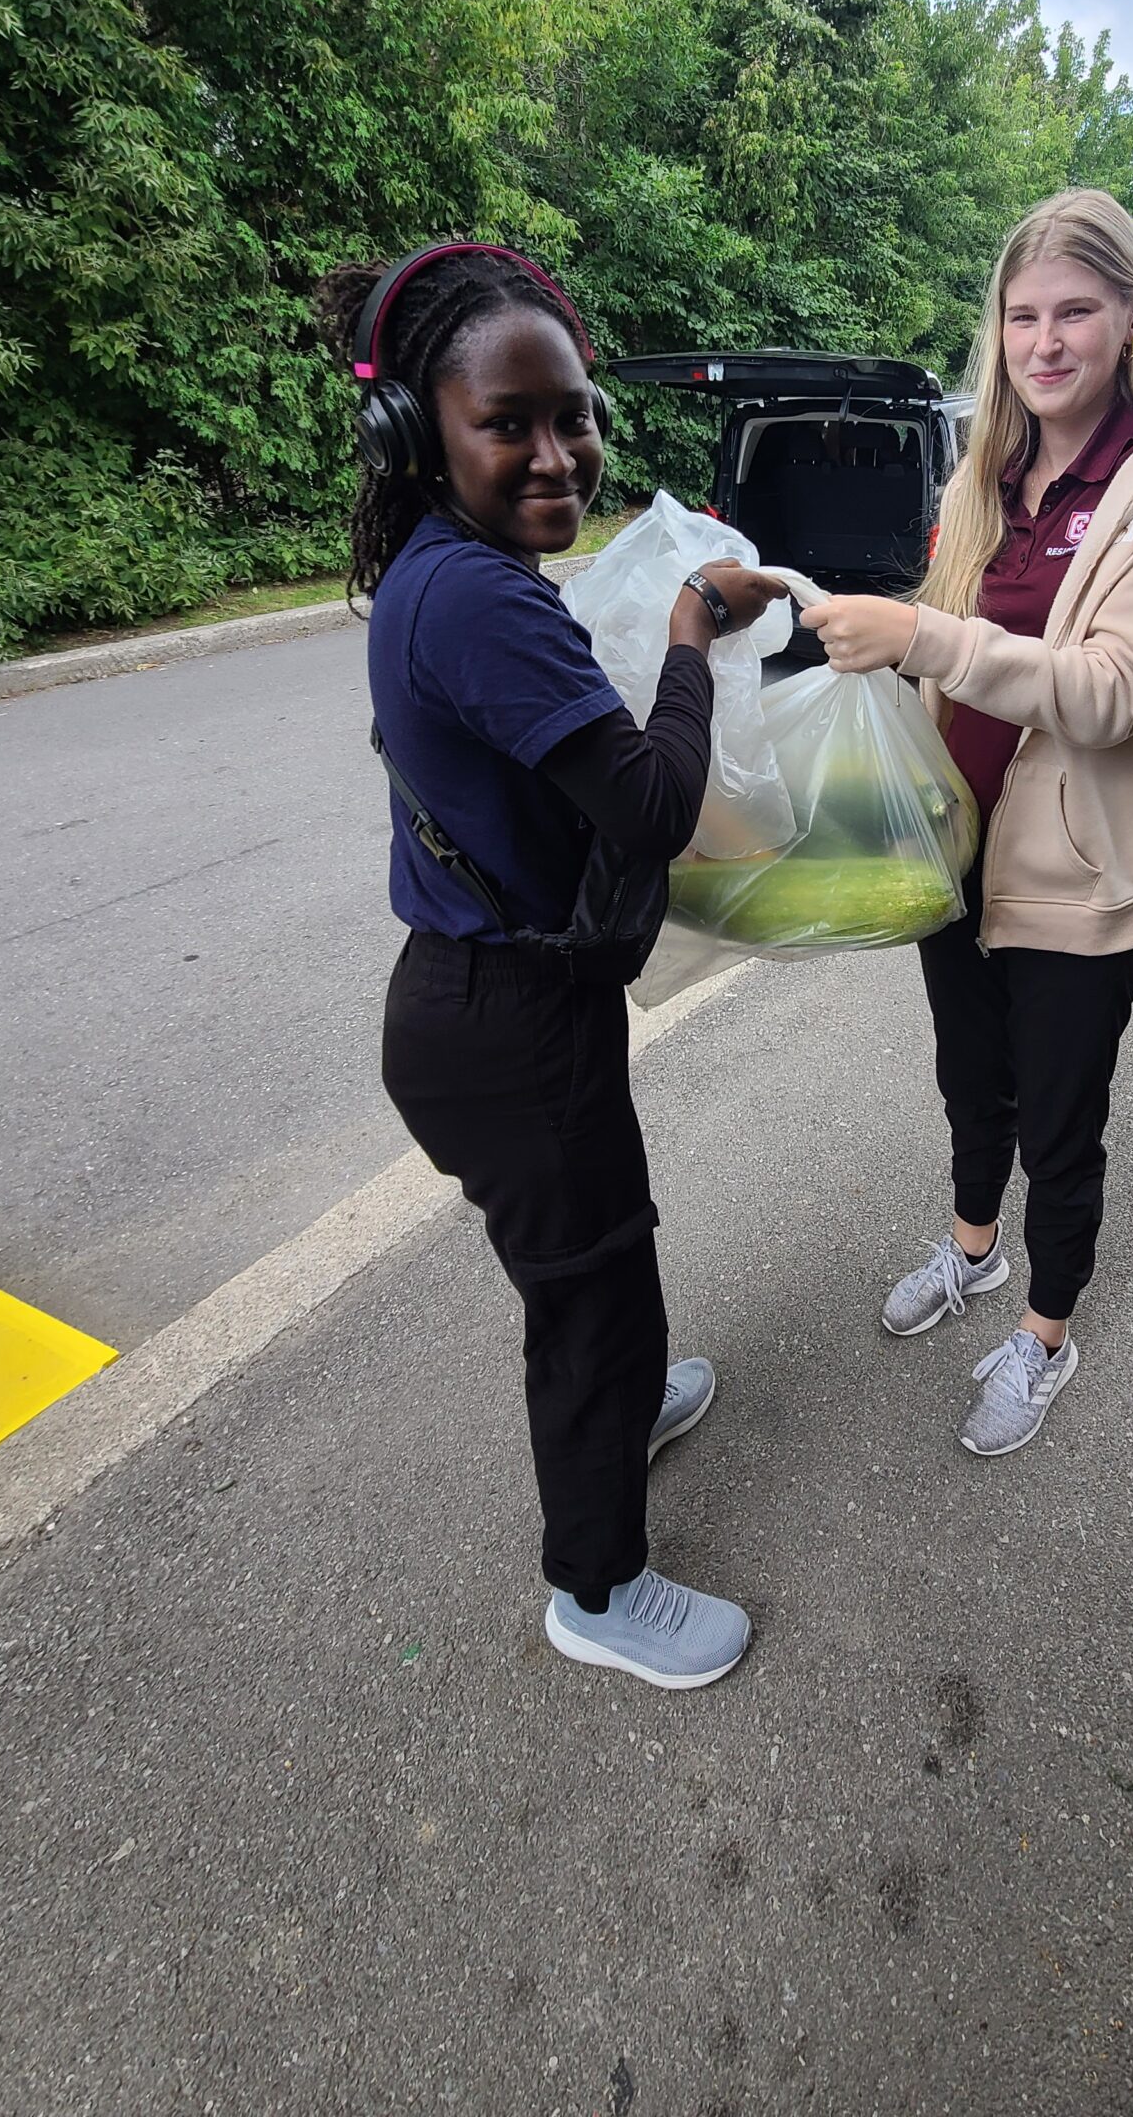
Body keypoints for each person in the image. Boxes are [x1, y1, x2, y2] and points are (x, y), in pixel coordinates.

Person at [315, 241, 788, 1689]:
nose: (554, 452)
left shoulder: (450, 571)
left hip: (500, 1007)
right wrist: (694, 637)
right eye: (505, 423)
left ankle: (624, 1406)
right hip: (505, 1026)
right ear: (420, 433)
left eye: (572, 415)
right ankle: (598, 1588)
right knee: (591, 1298)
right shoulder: (477, 596)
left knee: (604, 1254)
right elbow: (647, 807)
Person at [800, 190, 1133, 1456]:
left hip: (1075, 873)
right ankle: (973, 1250)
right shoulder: (991, 471)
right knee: (972, 1083)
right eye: (1022, 316)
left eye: (1075, 312)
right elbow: (947, 658)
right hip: (954, 850)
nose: (1045, 342)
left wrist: (922, 634)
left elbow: (1110, 691)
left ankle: (1045, 1334)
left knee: (1060, 1124)